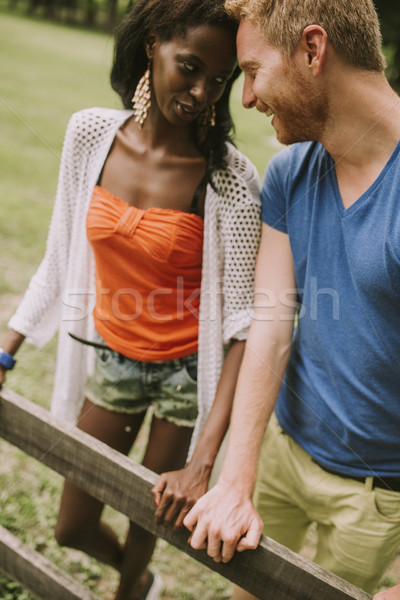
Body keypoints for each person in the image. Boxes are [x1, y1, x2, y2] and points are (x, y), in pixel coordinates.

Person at [0, 1, 261, 598]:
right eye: (189, 67)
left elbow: (244, 327)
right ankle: (138, 577)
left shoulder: (230, 180)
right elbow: (60, 255)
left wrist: (204, 459)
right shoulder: (90, 134)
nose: (201, 92)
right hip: (114, 359)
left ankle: (128, 590)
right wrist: (7, 349)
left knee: (152, 514)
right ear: (152, 44)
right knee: (71, 528)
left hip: (186, 377)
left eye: (219, 80)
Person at [183, 0, 400, 597]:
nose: (246, 97)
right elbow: (272, 325)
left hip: (375, 498)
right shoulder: (289, 173)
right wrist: (236, 476)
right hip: (281, 444)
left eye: (252, 71)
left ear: (312, 49)